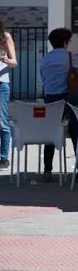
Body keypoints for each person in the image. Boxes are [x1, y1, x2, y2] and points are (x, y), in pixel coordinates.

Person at [39, 27, 78, 183]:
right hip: (69, 98)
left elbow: (43, 80)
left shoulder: (45, 59)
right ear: (65, 42)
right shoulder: (70, 57)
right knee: (77, 132)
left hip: (50, 99)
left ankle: (47, 170)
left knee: (50, 133)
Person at [0, 18, 16, 170]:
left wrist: (6, 60)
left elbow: (14, 62)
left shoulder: (5, 37)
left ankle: (4, 157)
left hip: (1, 83)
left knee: (2, 121)